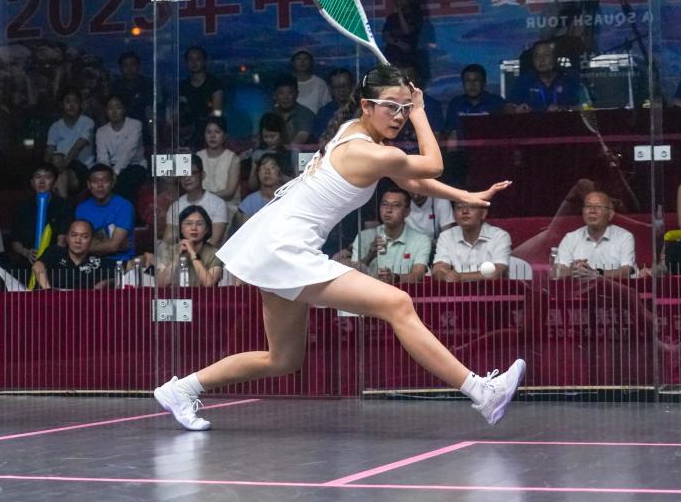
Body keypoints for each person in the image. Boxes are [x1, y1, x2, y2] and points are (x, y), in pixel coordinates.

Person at [153, 64, 522, 431]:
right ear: (366, 105)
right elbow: (433, 165)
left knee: (283, 359)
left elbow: (413, 181)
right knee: (398, 303)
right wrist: (421, 111)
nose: (399, 116)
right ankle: (481, 391)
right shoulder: (370, 152)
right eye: (391, 107)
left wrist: (464, 195)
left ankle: (181, 389)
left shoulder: (353, 132)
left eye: (404, 108)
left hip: (273, 241)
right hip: (284, 247)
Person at [336, 188, 431, 284]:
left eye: (396, 205)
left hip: (404, 292)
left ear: (407, 212)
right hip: (370, 291)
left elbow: (417, 274)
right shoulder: (364, 237)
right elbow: (353, 275)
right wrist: (369, 256)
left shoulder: (421, 240)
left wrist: (395, 278)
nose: (388, 210)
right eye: (384, 204)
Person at [552, 190, 635, 279]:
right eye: (588, 206)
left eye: (598, 206)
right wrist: (572, 271)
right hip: (580, 288)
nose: (592, 211)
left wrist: (596, 273)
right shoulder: (570, 238)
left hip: (612, 287)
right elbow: (556, 272)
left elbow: (626, 272)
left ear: (610, 214)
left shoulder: (624, 237)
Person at [9, 164, 75, 267]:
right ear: (32, 182)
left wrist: (47, 258)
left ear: (54, 182)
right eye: (38, 177)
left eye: (47, 177)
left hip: (55, 261)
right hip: (27, 259)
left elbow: (62, 241)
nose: (42, 181)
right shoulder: (22, 207)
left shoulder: (64, 206)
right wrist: (26, 252)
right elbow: (15, 241)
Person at [431, 201, 512, 281]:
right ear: (454, 214)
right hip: (457, 289)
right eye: (459, 207)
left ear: (483, 213)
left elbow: (497, 272)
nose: (464, 211)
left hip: (490, 289)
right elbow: (438, 268)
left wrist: (459, 277)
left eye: (472, 207)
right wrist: (444, 276)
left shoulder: (499, 236)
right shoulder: (446, 236)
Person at [75, 164, 135, 266]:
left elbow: (113, 246)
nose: (100, 185)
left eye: (105, 180)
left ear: (112, 183)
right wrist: (111, 245)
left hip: (121, 262)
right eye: (95, 181)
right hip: (92, 263)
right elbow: (78, 244)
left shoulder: (124, 206)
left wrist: (88, 246)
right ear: (89, 184)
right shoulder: (82, 209)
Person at [149, 205, 223, 287]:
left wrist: (192, 253)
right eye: (189, 223)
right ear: (181, 228)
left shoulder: (215, 253)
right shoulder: (167, 250)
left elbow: (208, 284)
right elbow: (160, 284)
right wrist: (177, 255)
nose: (194, 228)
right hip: (176, 295)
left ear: (206, 229)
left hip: (203, 295)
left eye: (199, 224)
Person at [164, 154, 228, 247]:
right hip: (182, 253)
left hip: (209, 254)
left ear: (202, 175)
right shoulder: (175, 206)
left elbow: (215, 241)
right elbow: (168, 240)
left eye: (192, 173)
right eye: (183, 174)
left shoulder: (218, 204)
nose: (187, 178)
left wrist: (193, 253)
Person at [505, 40, 585, 113]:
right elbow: (507, 108)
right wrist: (516, 110)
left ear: (555, 58)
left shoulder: (569, 79)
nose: (541, 60)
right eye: (537, 56)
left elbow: (586, 106)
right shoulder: (525, 81)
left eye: (546, 55)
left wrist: (564, 109)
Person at [94, 94, 148, 203]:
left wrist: (114, 173)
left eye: (118, 107)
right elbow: (102, 157)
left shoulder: (135, 125)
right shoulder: (101, 131)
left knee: (124, 183)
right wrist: (107, 173)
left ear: (124, 109)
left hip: (135, 165)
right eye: (110, 108)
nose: (114, 111)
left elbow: (128, 151)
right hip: (110, 168)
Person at [45, 88, 96, 197]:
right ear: (62, 104)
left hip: (83, 168)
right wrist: (45, 173)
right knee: (58, 170)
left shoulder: (87, 122)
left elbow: (77, 148)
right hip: (61, 169)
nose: (71, 105)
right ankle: (63, 205)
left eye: (75, 102)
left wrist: (60, 167)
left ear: (80, 104)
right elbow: (49, 152)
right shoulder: (55, 127)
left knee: (59, 172)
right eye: (68, 101)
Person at [31, 219, 108, 291]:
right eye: (74, 235)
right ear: (67, 238)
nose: (78, 241)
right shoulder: (55, 252)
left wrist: (106, 282)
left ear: (91, 239)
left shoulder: (98, 262)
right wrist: (48, 291)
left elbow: (113, 274)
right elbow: (38, 266)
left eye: (84, 236)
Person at [382, 0, 431, 83]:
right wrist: (398, 43)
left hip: (408, 61)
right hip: (392, 58)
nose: (398, 0)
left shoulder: (416, 16)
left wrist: (400, 13)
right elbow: (385, 36)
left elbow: (407, 31)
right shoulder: (392, 18)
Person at [443, 64, 506, 141]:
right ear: (463, 84)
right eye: (468, 81)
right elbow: (452, 136)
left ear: (484, 83)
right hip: (463, 148)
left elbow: (504, 134)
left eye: (476, 80)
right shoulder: (455, 104)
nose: (472, 85)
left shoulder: (497, 102)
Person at [178, 46, 224, 149]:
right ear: (186, 62)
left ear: (204, 61)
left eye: (198, 59)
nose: (194, 63)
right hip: (188, 130)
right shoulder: (183, 86)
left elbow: (217, 112)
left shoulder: (214, 84)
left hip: (210, 129)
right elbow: (182, 110)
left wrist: (204, 125)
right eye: (191, 59)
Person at [196, 115, 241, 217]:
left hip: (226, 206)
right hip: (200, 205)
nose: (212, 136)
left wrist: (205, 197)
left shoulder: (233, 158)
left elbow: (229, 192)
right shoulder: (198, 156)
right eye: (208, 132)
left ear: (225, 136)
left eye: (217, 132)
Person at [244, 112, 293, 188]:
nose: (269, 140)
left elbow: (300, 183)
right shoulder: (257, 154)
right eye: (266, 137)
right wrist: (255, 169)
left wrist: (280, 176)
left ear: (281, 134)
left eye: (273, 136)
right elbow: (252, 186)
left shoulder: (294, 152)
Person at [309, 67, 356, 145]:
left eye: (344, 86)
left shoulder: (363, 110)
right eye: (336, 87)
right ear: (330, 89)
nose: (341, 90)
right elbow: (319, 138)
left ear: (353, 85)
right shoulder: (324, 113)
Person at [237, 152, 285, 224]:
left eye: (272, 167)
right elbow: (246, 230)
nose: (267, 172)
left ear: (280, 174)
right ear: (258, 174)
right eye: (263, 168)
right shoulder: (250, 202)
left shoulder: (289, 198)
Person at [269, 73, 315, 146]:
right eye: (281, 93)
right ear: (275, 95)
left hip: (299, 152)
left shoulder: (306, 114)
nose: (286, 97)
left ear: (297, 94)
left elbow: (301, 138)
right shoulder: (270, 115)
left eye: (290, 93)